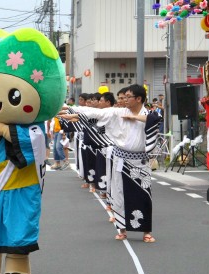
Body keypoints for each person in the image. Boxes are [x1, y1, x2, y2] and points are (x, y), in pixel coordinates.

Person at [60, 84, 160, 243]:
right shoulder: (119, 112)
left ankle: (146, 231)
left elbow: (155, 119)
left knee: (143, 196)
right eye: (123, 97)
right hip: (121, 160)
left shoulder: (149, 114)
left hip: (140, 163)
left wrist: (134, 117)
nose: (125, 100)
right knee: (119, 194)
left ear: (139, 99)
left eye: (128, 97)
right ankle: (122, 229)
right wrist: (71, 111)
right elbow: (96, 113)